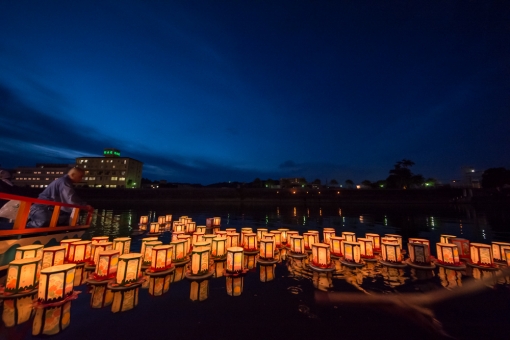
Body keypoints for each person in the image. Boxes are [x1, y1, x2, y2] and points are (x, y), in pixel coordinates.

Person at [26, 167, 93, 228]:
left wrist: (83, 205)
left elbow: (70, 197)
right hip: (41, 208)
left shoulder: (64, 182)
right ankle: (26, 228)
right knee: (43, 221)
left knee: (64, 220)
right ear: (73, 175)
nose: (81, 179)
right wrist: (84, 205)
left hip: (50, 209)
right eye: (80, 177)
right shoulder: (64, 182)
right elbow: (70, 197)